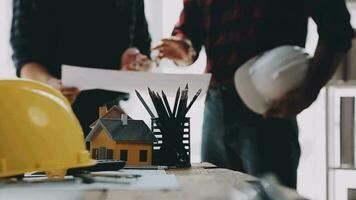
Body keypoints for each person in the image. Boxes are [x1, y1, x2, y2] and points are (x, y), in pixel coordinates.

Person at [153, 0, 355, 188]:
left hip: (268, 106)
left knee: (268, 195)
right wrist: (184, 47)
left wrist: (308, 92)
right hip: (216, 104)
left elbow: (337, 28)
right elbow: (190, 33)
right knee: (213, 192)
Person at [11, 0, 152, 134]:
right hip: (50, 112)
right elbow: (26, 59)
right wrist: (49, 84)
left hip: (109, 112)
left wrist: (133, 68)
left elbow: (144, 56)